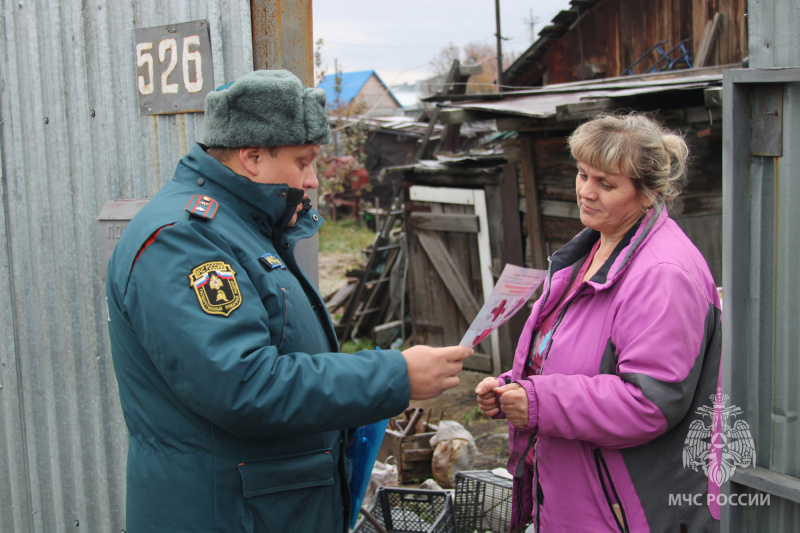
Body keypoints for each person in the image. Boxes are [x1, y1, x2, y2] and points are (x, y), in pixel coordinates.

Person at [105, 69, 472, 533]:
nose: (314, 180)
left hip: (264, 508)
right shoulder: (184, 240)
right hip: (222, 513)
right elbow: (243, 385)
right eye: (304, 162)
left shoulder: (238, 229)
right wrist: (394, 374)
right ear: (252, 156)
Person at [476, 113, 721, 532]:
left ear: (649, 194)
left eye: (606, 184)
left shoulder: (663, 274)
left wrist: (538, 401)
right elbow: (577, 357)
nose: (586, 192)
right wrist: (513, 386)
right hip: (579, 491)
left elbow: (650, 402)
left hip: (628, 505)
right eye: (582, 174)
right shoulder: (592, 250)